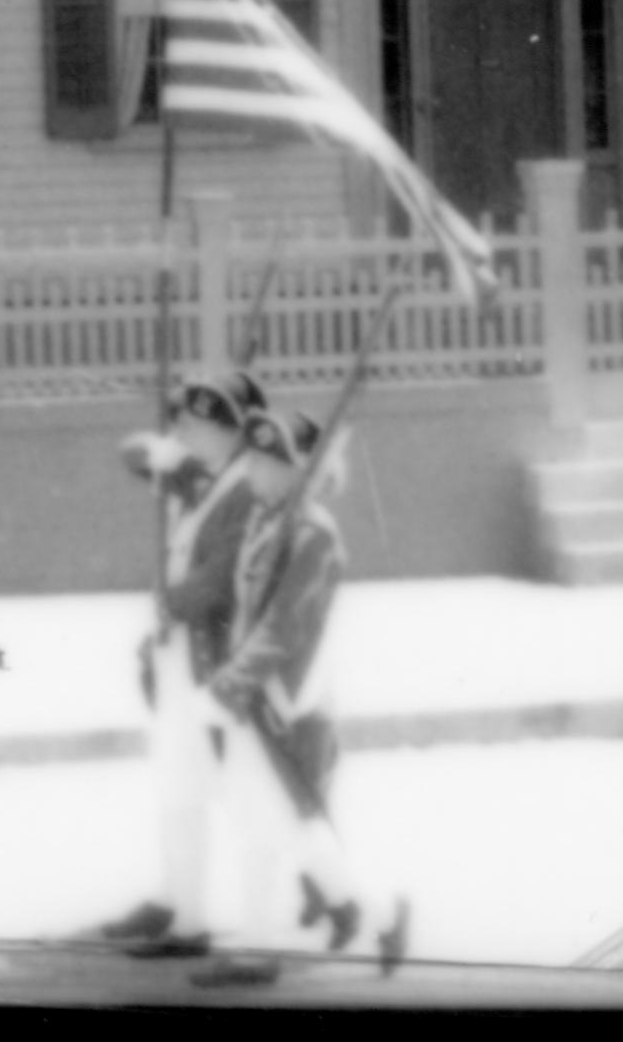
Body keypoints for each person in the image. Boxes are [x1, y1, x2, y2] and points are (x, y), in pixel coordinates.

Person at [192, 410, 410, 989]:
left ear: (297, 473)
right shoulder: (268, 523)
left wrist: (234, 681)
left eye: (268, 463)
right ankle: (259, 947)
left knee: (290, 823)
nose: (255, 471)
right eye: (255, 460)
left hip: (286, 703)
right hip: (252, 699)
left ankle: (380, 912)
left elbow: (284, 627)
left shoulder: (314, 536)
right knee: (259, 824)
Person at [96, 371, 265, 961]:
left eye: (195, 425)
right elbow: (135, 456)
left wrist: (170, 603)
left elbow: (218, 580)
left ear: (229, 430)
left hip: (210, 655)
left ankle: (194, 922)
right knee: (174, 783)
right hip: (176, 651)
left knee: (203, 786)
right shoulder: (202, 476)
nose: (183, 432)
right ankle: (175, 900)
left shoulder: (245, 489)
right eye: (182, 425)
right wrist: (160, 454)